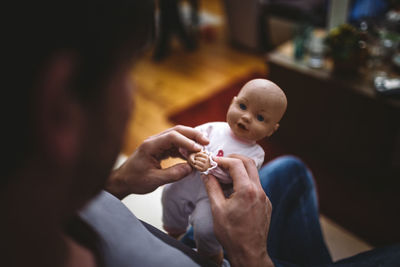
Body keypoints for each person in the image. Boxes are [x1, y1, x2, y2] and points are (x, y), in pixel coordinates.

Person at [3, 0, 400, 266]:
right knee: (289, 178)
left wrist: (118, 182)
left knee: (287, 171)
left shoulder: (37, 213)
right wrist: (252, 257)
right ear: (59, 108)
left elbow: (221, 154)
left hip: (202, 202)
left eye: (259, 119)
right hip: (214, 233)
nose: (245, 119)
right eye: (129, 71)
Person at [161, 79, 287, 265]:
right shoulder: (212, 128)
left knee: (206, 228)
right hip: (190, 178)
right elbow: (189, 143)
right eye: (242, 106)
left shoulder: (255, 154)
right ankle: (175, 231)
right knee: (169, 193)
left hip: (215, 196)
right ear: (232, 102)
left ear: (271, 130)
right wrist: (192, 156)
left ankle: (211, 256)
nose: (246, 117)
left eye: (260, 118)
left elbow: (235, 178)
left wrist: (210, 165)